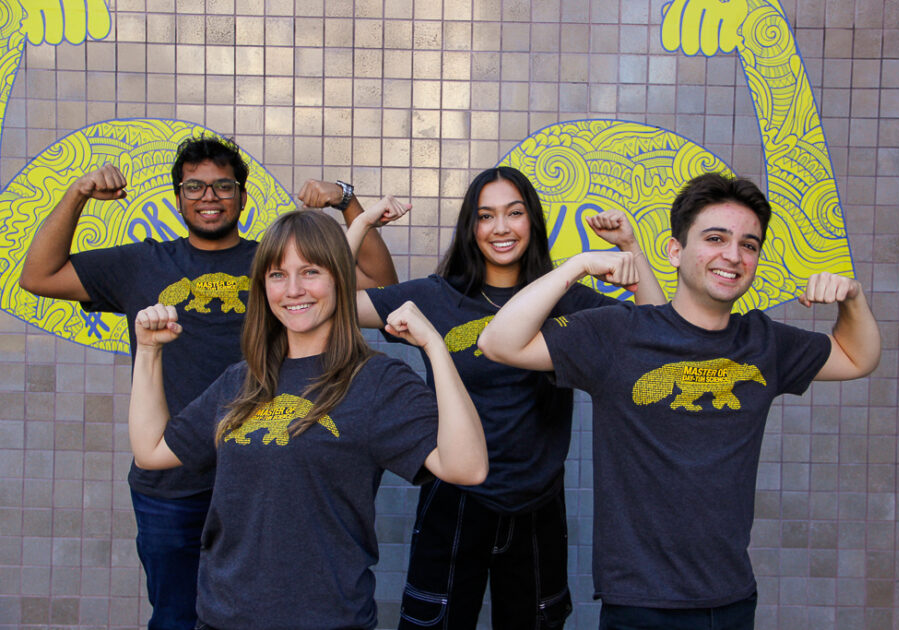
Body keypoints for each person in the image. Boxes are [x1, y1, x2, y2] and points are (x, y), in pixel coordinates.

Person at [17, 135, 404, 630]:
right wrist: (77, 193)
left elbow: (382, 288)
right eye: (194, 186)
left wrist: (347, 200)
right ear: (178, 197)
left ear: (243, 196)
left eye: (223, 186)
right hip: (171, 482)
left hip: (264, 478)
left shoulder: (277, 265)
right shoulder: (141, 262)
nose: (209, 197)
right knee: (177, 616)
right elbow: (38, 276)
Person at [478, 172, 881, 630]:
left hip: (730, 600)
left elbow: (857, 356)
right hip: (639, 604)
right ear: (676, 251)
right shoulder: (619, 333)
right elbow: (499, 343)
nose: (733, 255)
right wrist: (576, 267)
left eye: (748, 245)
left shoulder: (765, 345)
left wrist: (853, 298)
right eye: (715, 238)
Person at [126, 208, 487, 630]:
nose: (293, 289)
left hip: (327, 620)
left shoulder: (376, 381)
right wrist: (149, 352)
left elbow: (468, 467)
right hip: (222, 618)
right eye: (278, 275)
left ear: (339, 276)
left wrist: (435, 348)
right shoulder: (243, 380)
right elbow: (151, 451)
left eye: (310, 271)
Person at [350, 166, 665, 629]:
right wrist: (358, 223)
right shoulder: (437, 298)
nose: (500, 228)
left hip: (535, 502)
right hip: (453, 497)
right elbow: (330, 303)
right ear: (471, 227)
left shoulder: (566, 301)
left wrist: (631, 251)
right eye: (486, 216)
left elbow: (658, 337)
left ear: (532, 222)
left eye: (514, 213)